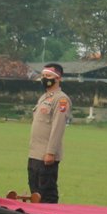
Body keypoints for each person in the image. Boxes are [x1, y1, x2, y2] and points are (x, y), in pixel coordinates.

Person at [28, 63, 71, 203]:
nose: (44, 78)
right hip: (35, 153)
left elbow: (58, 127)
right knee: (34, 193)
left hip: (46, 155)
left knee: (47, 193)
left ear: (58, 78)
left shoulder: (61, 99)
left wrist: (51, 152)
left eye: (48, 76)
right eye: (43, 76)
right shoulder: (44, 97)